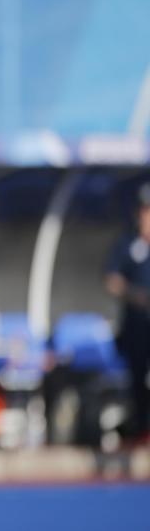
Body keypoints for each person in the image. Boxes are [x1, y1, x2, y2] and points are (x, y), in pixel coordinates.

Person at [105, 182, 150, 443]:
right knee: (137, 379)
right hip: (136, 326)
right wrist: (137, 296)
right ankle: (141, 428)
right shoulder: (129, 244)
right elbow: (112, 279)